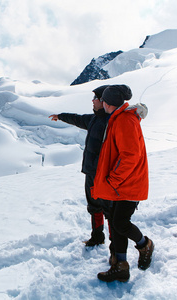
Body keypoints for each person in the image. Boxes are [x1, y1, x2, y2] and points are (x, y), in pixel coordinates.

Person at [91, 84, 154, 283]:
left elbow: (130, 156)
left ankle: (145, 244)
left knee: (120, 223)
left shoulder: (125, 120)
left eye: (104, 101)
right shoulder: (118, 118)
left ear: (108, 104)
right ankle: (120, 265)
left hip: (128, 183)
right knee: (116, 223)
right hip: (121, 184)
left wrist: (114, 179)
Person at [49, 85, 112, 247]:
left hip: (104, 174)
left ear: (104, 101)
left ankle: (115, 242)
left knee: (109, 208)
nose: (92, 101)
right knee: (94, 206)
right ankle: (97, 236)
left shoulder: (110, 122)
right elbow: (77, 119)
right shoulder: (94, 119)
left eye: (95, 98)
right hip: (91, 172)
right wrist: (60, 116)